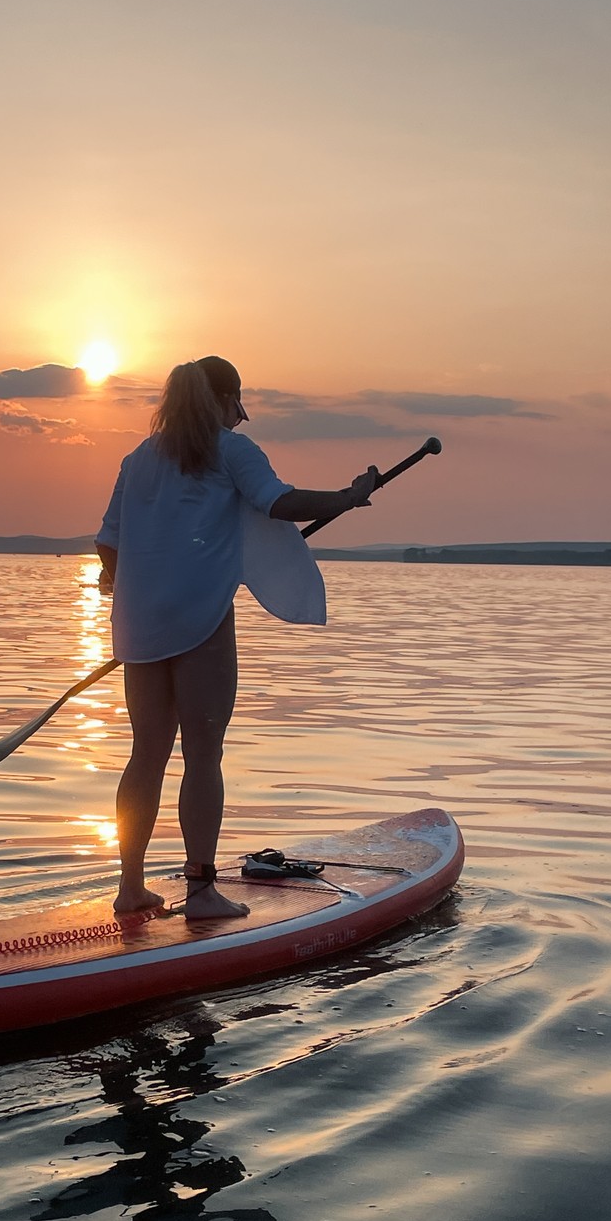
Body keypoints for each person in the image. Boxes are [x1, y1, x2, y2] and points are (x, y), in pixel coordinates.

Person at [95, 356, 379, 920]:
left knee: (146, 754)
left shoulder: (138, 458)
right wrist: (347, 496)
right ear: (221, 401)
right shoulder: (230, 449)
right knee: (203, 754)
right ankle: (201, 893)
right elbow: (280, 503)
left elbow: (108, 542)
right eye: (238, 402)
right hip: (201, 621)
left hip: (141, 625)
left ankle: (131, 887)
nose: (243, 416)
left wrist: (120, 579)